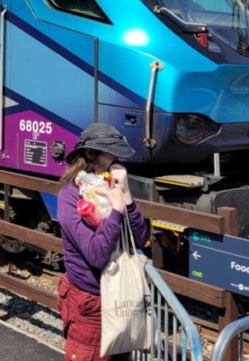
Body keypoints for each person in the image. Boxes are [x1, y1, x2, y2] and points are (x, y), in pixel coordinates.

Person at [57, 123, 149, 361]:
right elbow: (96, 255)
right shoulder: (70, 195)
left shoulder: (113, 187)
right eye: (111, 155)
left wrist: (126, 196)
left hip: (120, 300)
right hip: (90, 303)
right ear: (90, 154)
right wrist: (116, 210)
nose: (117, 161)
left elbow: (141, 238)